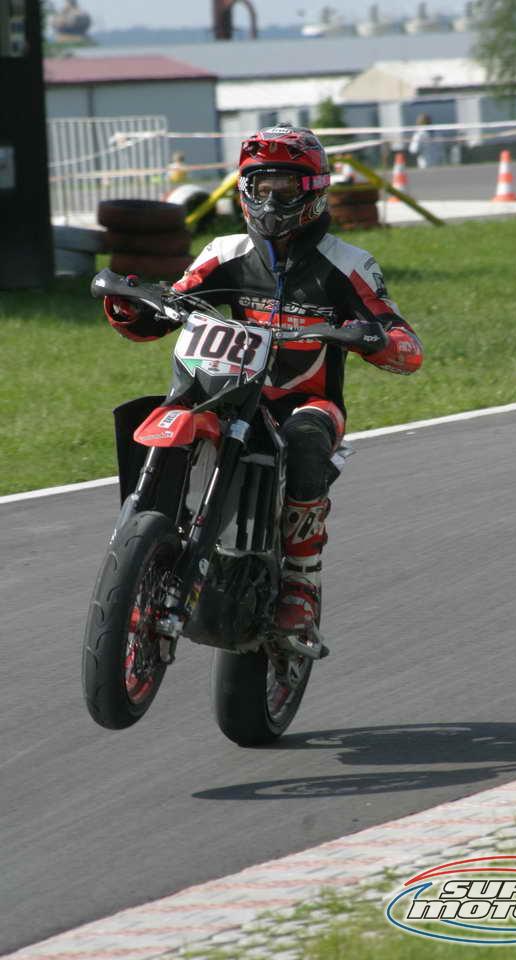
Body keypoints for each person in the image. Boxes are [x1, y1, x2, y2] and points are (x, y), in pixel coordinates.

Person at [104, 123, 423, 636]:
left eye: (285, 187)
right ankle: (139, 541)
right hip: (225, 394)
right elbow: (172, 307)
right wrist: (133, 307)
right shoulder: (223, 251)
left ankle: (301, 580)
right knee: (161, 412)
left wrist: (373, 338)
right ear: (244, 189)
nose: (271, 200)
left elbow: (406, 345)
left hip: (306, 402)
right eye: (261, 186)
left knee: (305, 437)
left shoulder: (348, 264)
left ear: (313, 191)